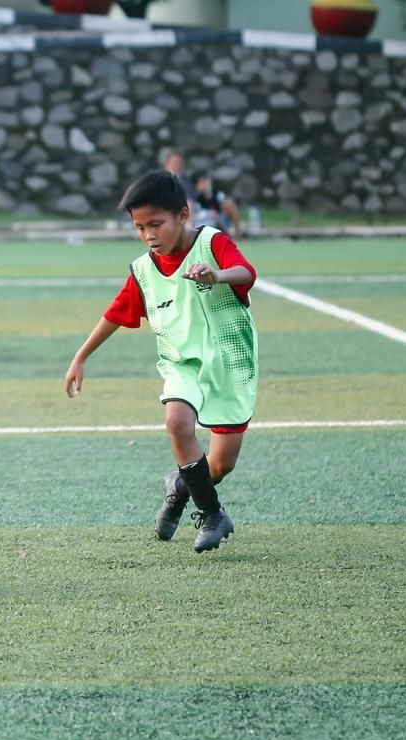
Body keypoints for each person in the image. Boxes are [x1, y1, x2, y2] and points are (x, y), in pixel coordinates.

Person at [64, 170, 258, 553]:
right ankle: (213, 514)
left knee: (219, 466)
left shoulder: (211, 241)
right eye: (139, 227)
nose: (148, 235)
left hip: (231, 363)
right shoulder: (144, 270)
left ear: (183, 215)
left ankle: (180, 487)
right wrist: (80, 356)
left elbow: (246, 272)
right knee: (177, 421)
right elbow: (115, 314)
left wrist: (217, 275)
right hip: (181, 363)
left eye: (156, 224)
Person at [191, 170, 242, 240]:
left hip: (218, 222)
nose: (205, 184)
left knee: (229, 205)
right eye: (202, 182)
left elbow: (223, 204)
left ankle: (237, 234)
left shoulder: (216, 194)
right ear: (196, 184)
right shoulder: (193, 198)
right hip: (201, 224)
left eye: (206, 181)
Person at [162, 149, 195, 219]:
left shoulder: (185, 182)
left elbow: (190, 202)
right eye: (174, 163)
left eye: (179, 163)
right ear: (166, 164)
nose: (177, 166)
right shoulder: (157, 180)